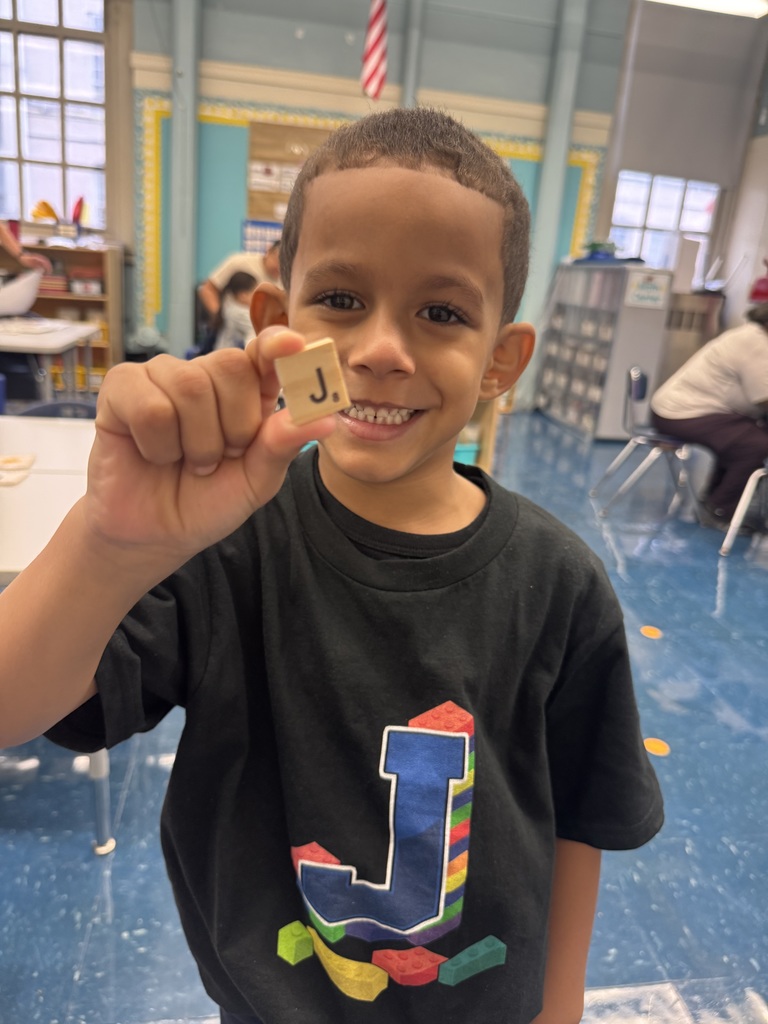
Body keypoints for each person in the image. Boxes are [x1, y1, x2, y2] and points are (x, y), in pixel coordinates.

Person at [0, 108, 663, 1024]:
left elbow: (583, 815)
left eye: (442, 313)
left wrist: (560, 1010)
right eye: (342, 300)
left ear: (500, 361)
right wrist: (110, 545)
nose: (382, 351)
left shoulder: (560, 586)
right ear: (279, 324)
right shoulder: (224, 544)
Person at [651, 302, 768, 531]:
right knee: (756, 445)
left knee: (749, 436)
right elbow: (763, 398)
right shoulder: (755, 343)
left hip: (697, 411)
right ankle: (720, 508)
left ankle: (717, 499)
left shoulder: (753, 336)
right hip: (682, 413)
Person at [198, 239, 281, 319]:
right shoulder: (239, 262)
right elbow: (207, 289)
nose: (279, 268)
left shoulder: (286, 278)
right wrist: (220, 319)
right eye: (278, 260)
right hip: (235, 320)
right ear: (269, 251)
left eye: (284, 264)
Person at [211, 270, 258, 351]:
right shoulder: (239, 313)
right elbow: (255, 332)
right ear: (243, 295)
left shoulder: (229, 306)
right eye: (255, 292)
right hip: (227, 355)